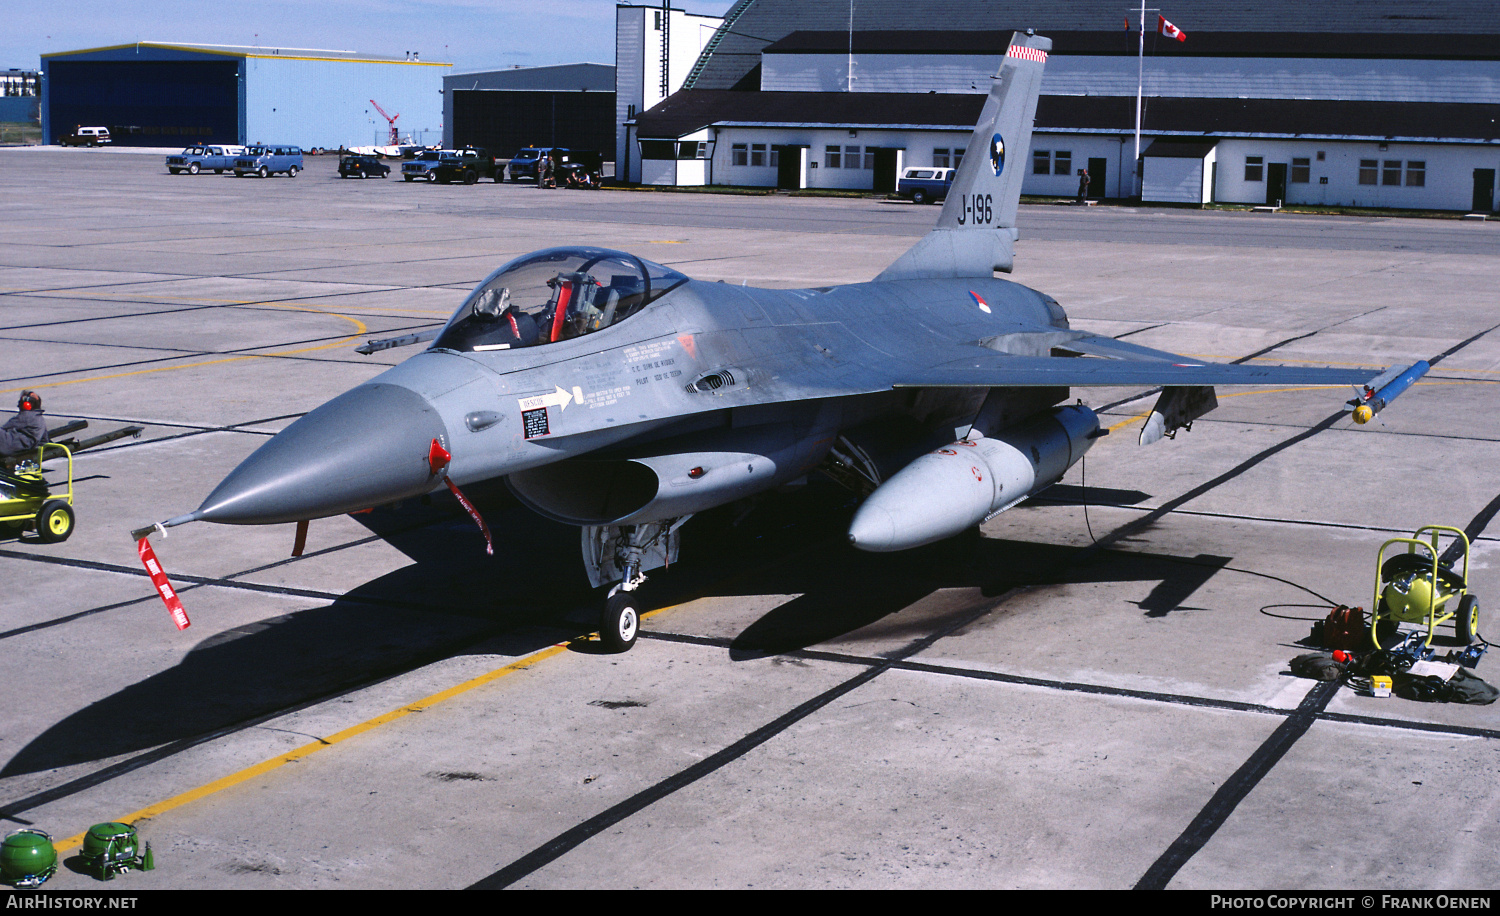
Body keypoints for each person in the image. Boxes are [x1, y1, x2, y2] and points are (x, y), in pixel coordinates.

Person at [0, 391, 46, 458]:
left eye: (20, 403)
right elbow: (45, 439)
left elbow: (5, 427)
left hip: (12, 445)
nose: (18, 406)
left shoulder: (26, 416)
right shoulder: (39, 418)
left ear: (27, 405)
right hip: (22, 445)